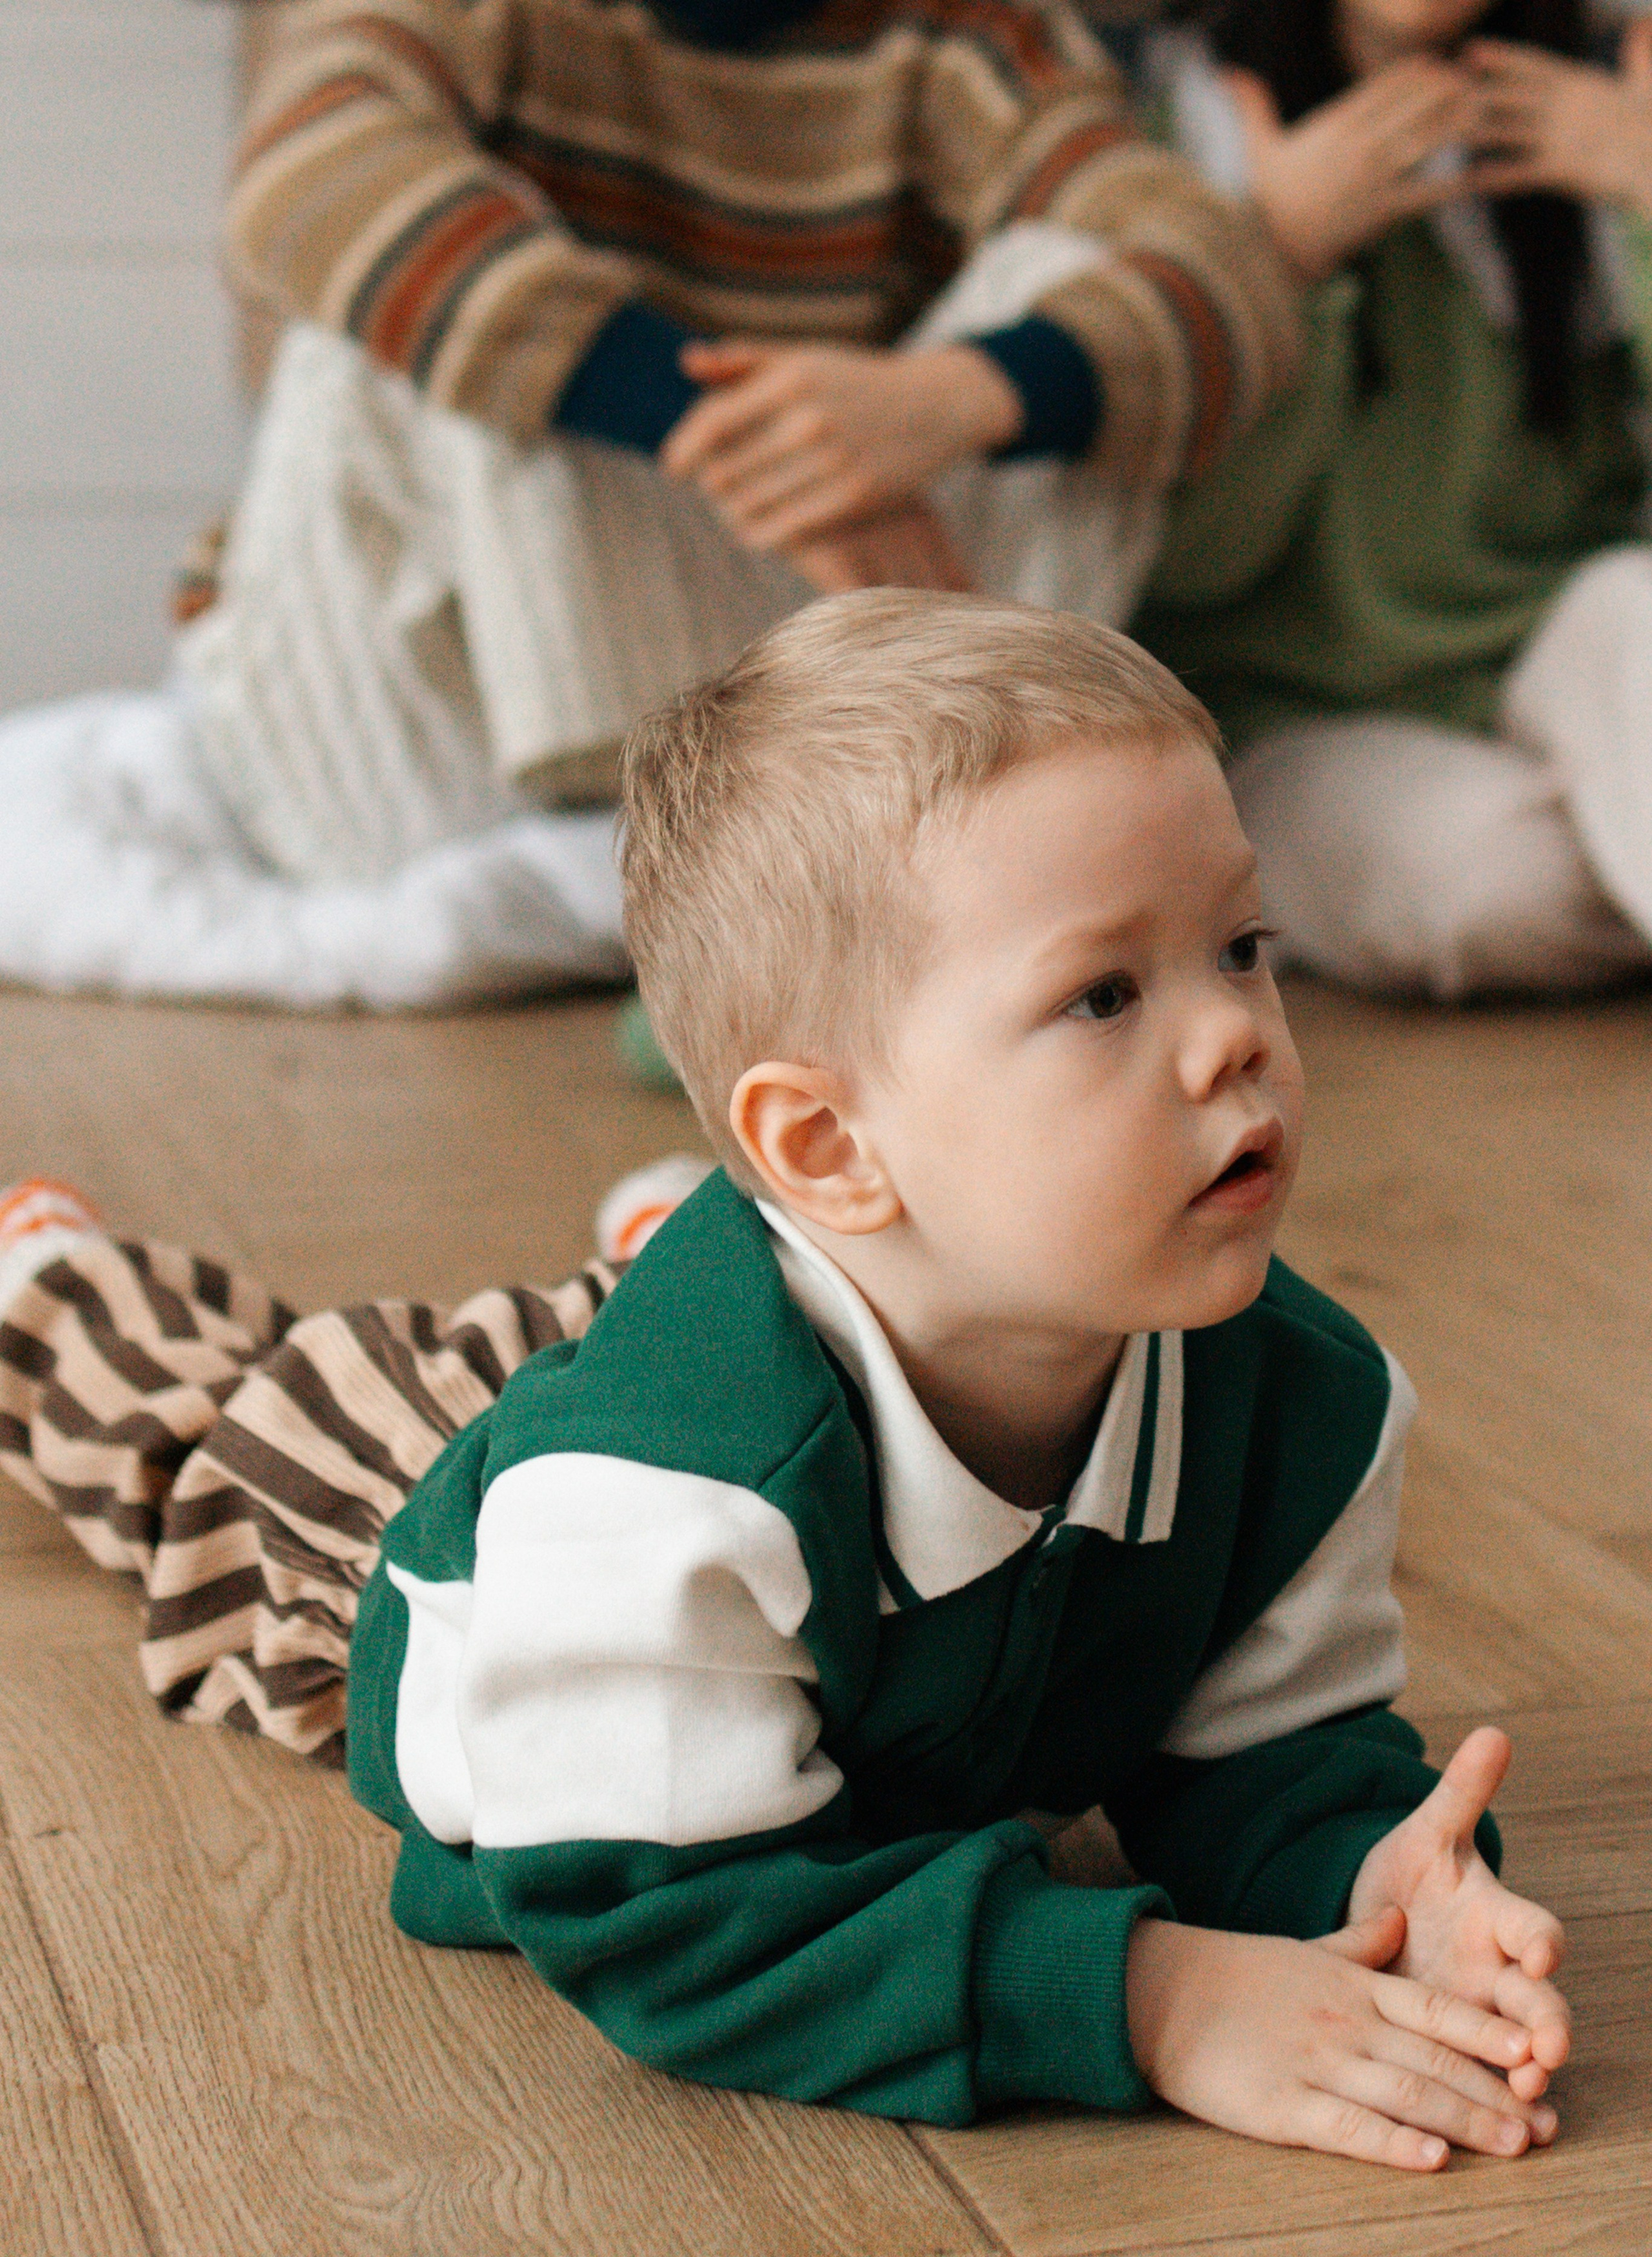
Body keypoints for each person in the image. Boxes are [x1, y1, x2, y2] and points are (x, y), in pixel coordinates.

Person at [0, 592, 1571, 2165]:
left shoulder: (1301, 1403)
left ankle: (689, 1256)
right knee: (233, 1439)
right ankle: (51, 1287)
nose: (1234, 1036)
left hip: (760, 1395)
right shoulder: (647, 1498)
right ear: (828, 1145)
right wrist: (1144, 1996)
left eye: (1239, 947)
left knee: (684, 1406)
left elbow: (1260, 1754)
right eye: (1103, 993)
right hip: (446, 1528)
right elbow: (665, 1913)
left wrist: (1375, 1881)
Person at [0, 0, 1303, 1009]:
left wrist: (952, 399)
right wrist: (728, 431)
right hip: (416, 759)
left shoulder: (963, 33)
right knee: (392, 275)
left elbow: (1230, 276)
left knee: (1076, 268)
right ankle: (634, 880)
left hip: (737, 669)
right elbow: (302, 173)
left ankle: (729, 865)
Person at [1129, 0, 1652, 998]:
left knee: (1638, 611)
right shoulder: (1178, 130)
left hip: (1548, 641)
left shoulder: (1588, 100)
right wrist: (1278, 268)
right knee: (1501, 890)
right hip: (1290, 721)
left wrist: (1647, 194)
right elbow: (1192, 562)